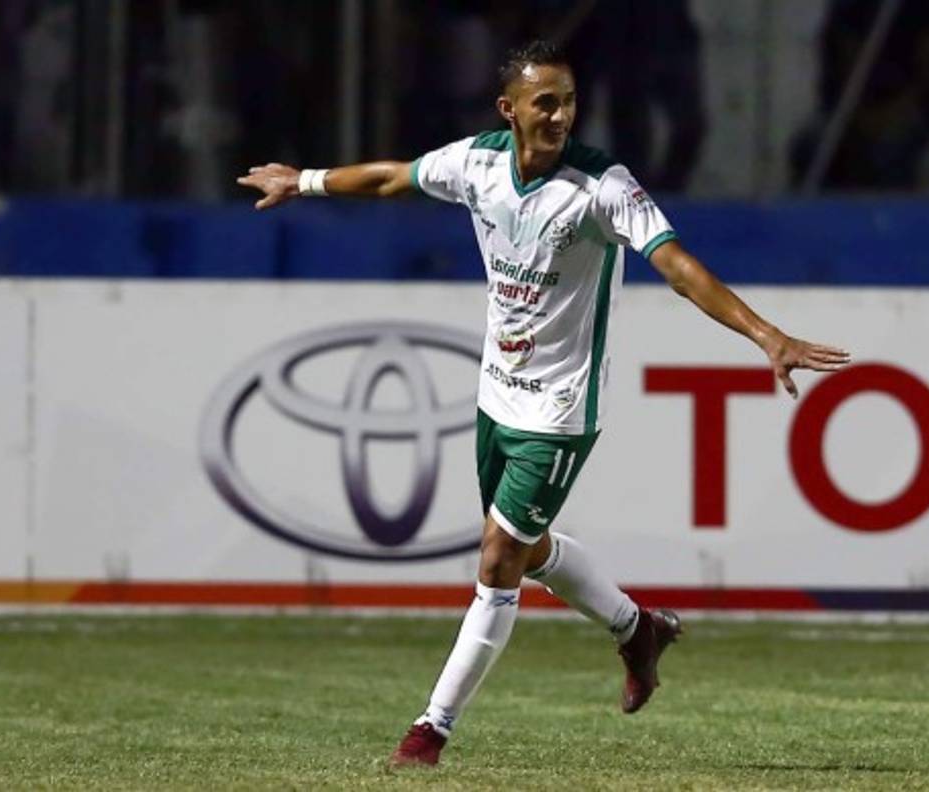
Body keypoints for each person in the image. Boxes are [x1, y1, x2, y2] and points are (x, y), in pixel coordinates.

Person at [238, 40, 851, 768]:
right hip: (497, 394)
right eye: (545, 102)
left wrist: (766, 334)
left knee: (497, 560)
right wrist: (304, 180)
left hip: (559, 408)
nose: (561, 115)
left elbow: (678, 267)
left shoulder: (603, 187)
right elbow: (394, 178)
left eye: (569, 101)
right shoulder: (477, 163)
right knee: (525, 549)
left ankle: (430, 731)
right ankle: (636, 629)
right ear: (511, 111)